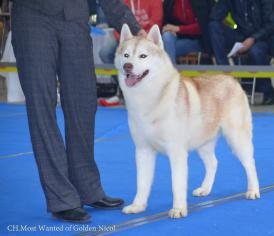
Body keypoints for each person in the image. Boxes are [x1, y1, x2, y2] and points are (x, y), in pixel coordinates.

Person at [11, 0, 145, 223]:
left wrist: (132, 28)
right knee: (42, 107)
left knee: (83, 103)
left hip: (75, 19)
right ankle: (61, 199)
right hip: (33, 17)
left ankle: (88, 188)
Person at [209, 0, 274, 105]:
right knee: (213, 26)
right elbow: (214, 16)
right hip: (241, 35)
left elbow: (271, 24)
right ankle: (226, 78)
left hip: (262, 38)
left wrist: (253, 38)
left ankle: (267, 91)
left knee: (255, 51)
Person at [162, 0, 214, 65]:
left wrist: (178, 29)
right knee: (167, 37)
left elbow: (203, 26)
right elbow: (165, 22)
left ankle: (171, 71)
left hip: (199, 41)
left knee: (168, 48)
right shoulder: (170, 2)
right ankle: (172, 71)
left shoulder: (202, 2)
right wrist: (168, 29)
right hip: (178, 39)